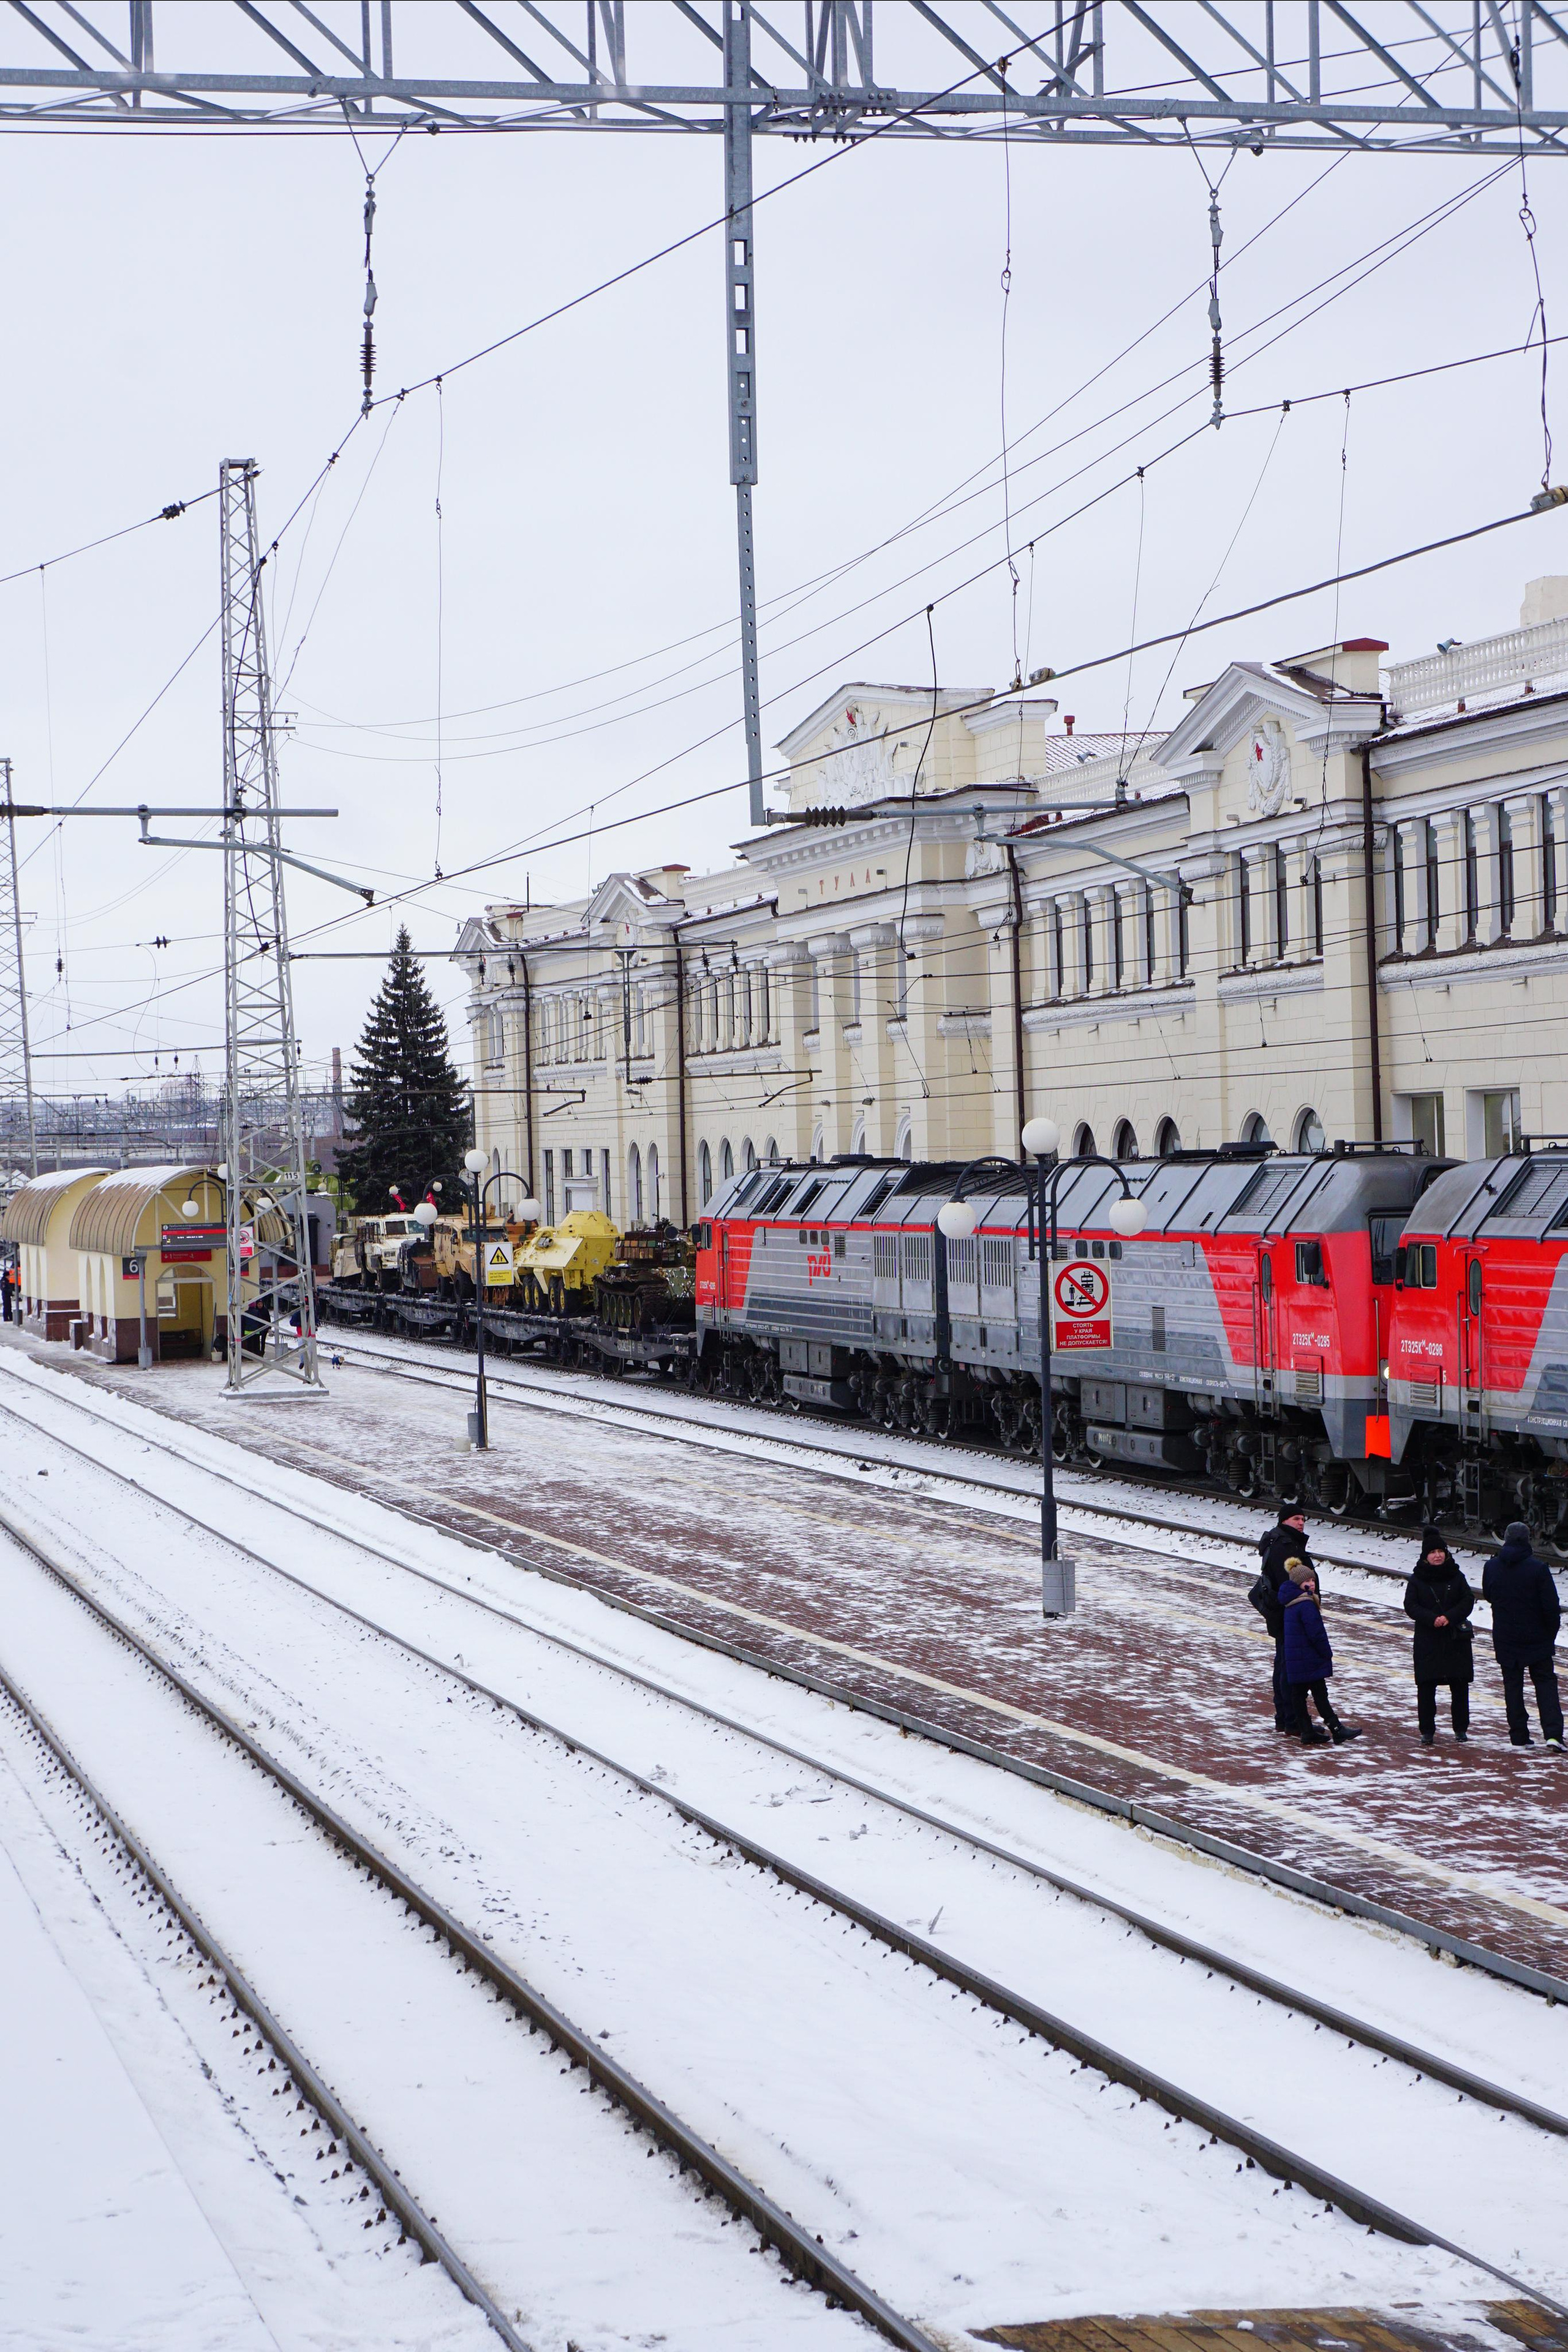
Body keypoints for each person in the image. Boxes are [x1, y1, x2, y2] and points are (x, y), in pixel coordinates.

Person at [1482, 1522, 1564, 1751]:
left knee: (1513, 1685)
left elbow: (1489, 1595)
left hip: (1506, 1637)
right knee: (1546, 1684)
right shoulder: (1538, 1569)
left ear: (1506, 1540)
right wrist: (1550, 1634)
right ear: (1527, 1540)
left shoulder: (1492, 1567)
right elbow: (1551, 1607)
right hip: (1537, 1638)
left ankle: (1518, 1735)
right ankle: (1553, 1734)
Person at [1403, 1528, 1475, 1745]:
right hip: (1428, 1640)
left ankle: (1461, 1729)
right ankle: (1427, 1731)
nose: (1437, 1555)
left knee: (1460, 1686)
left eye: (1440, 1551)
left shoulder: (1457, 1575)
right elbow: (1410, 1605)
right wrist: (1431, 1618)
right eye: (1432, 1552)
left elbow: (1468, 1600)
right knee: (1426, 1687)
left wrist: (1449, 1617)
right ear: (1425, 1556)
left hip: (1455, 1639)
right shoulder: (1417, 1579)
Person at [1280, 1560, 1362, 1746]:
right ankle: (1336, 1729)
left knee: (1299, 1694)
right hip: (1310, 1657)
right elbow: (1316, 1633)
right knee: (1319, 1693)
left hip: (1297, 1658)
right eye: (1307, 1580)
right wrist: (1327, 1652)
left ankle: (1307, 1731)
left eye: (1313, 1579)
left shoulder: (1290, 1602)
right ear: (1299, 1583)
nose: (1312, 1583)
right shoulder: (1306, 1603)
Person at [1256, 1507, 1313, 1732]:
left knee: (1284, 1664)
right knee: (1289, 1667)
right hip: (1290, 1614)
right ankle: (1292, 1719)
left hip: (1284, 1613)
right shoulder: (1285, 1546)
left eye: (1303, 1519)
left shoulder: (1282, 1542)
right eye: (1296, 1519)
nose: (1301, 1523)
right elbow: (1289, 1585)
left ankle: (1285, 1717)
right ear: (1284, 1521)